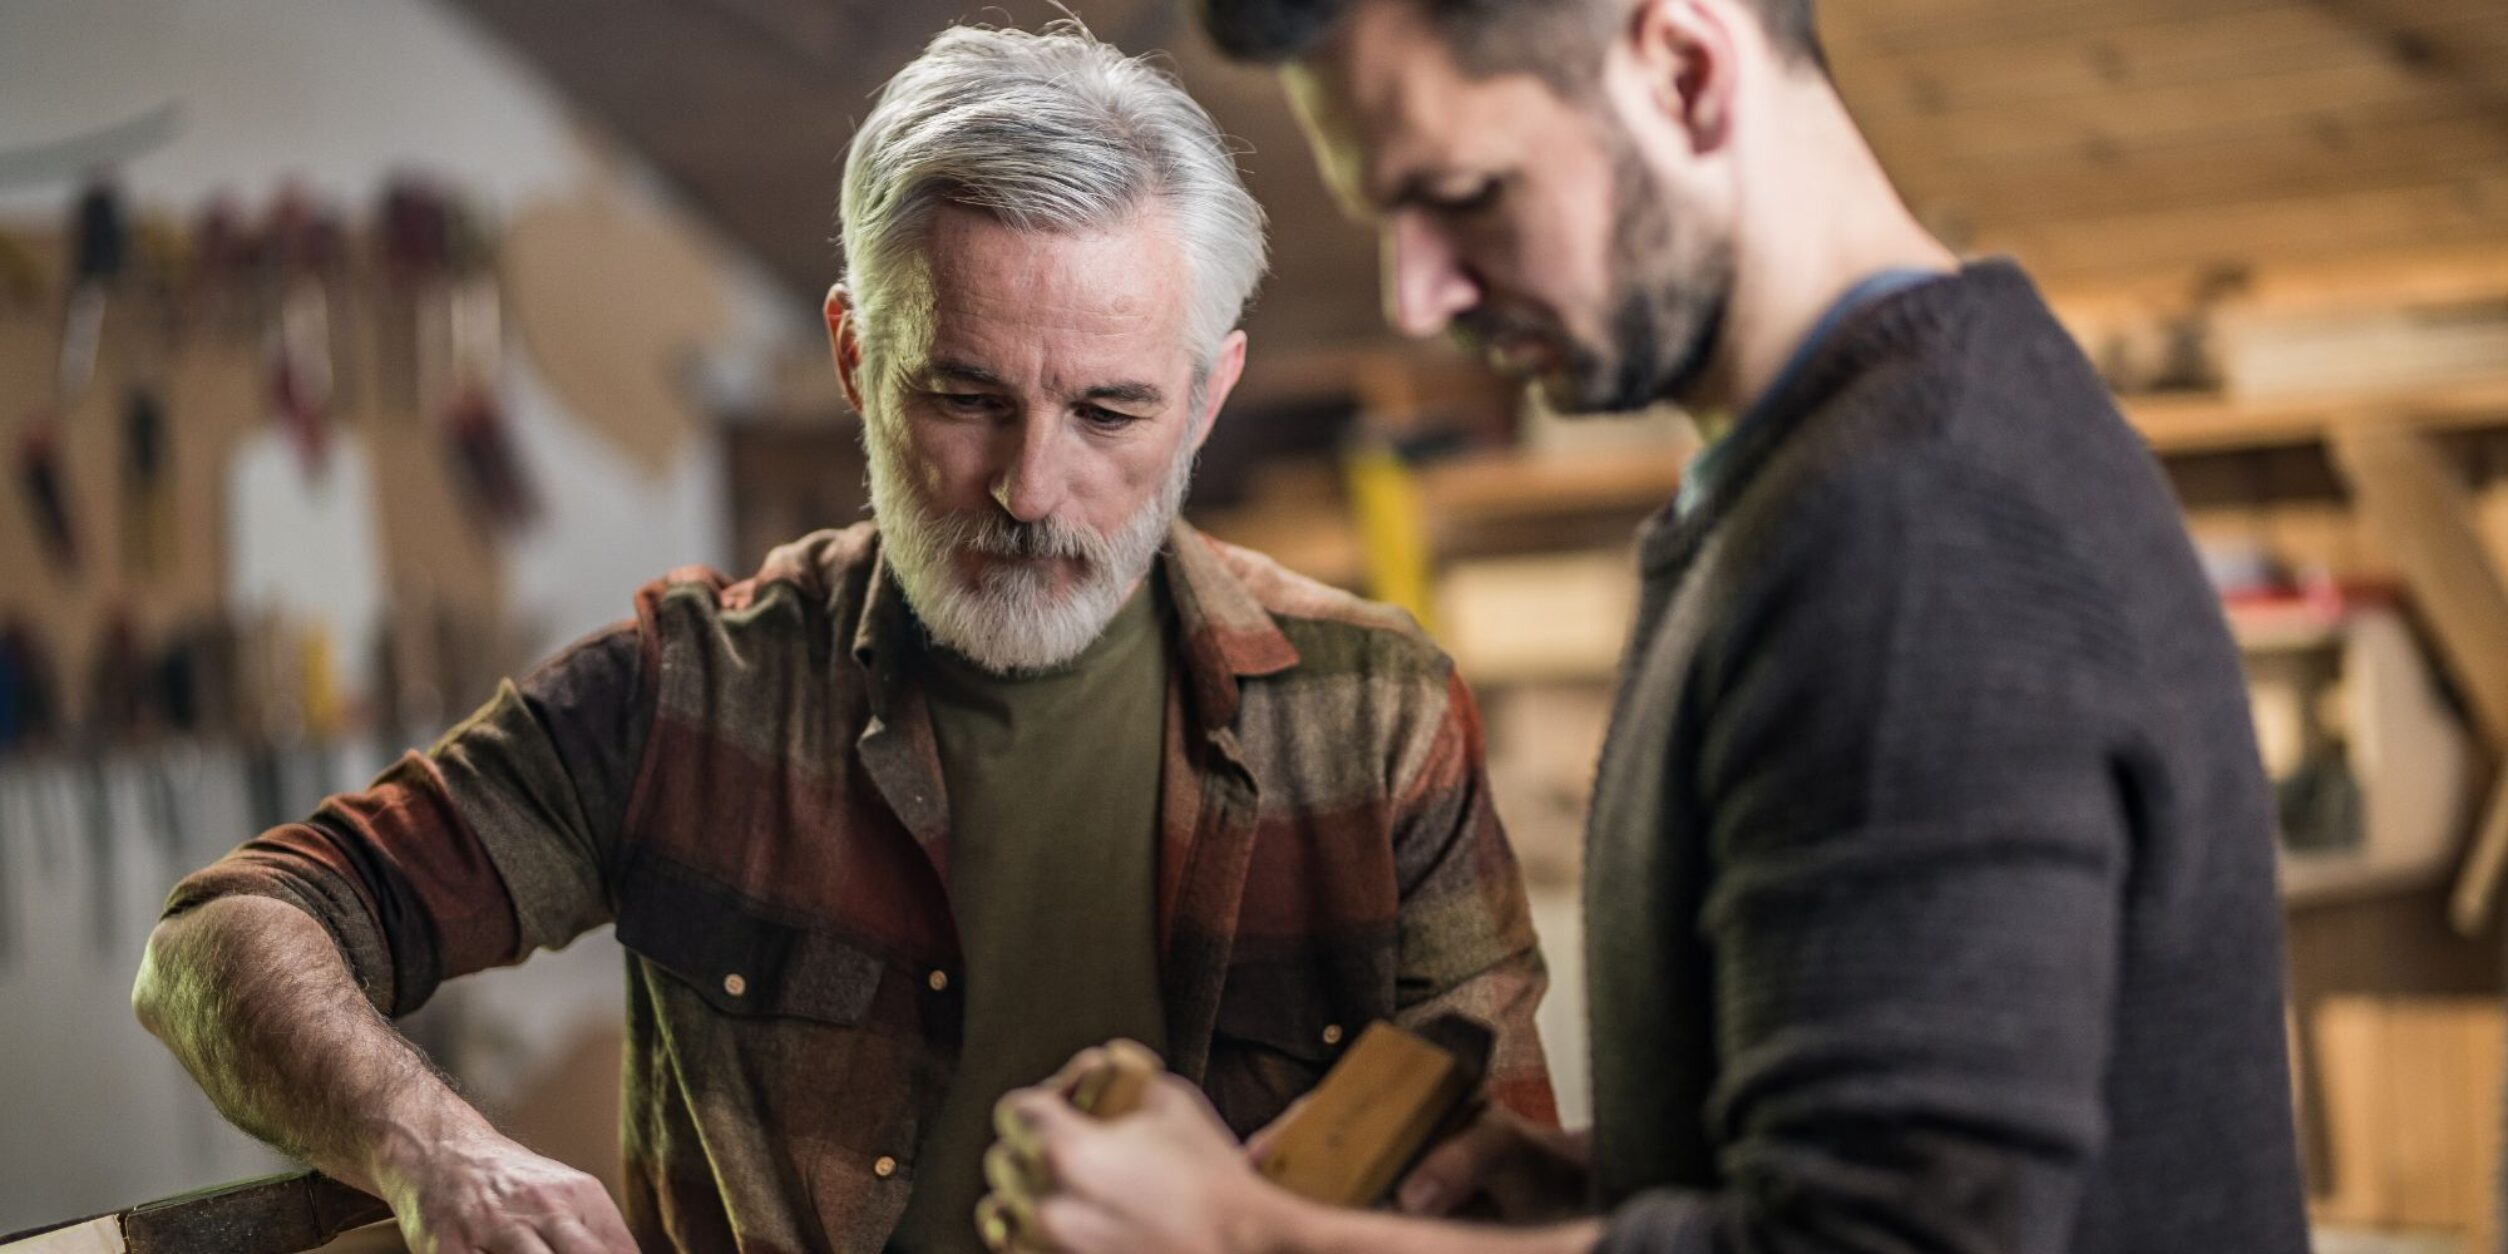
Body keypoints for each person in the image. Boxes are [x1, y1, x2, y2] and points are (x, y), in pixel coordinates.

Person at [131, 23, 1553, 1254]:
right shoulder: (686, 694)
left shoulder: (1377, 713)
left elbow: (1504, 1193)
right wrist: (436, 1149)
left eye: (1109, 411)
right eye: (964, 396)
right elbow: (220, 935)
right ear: (855, 355)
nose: (1028, 486)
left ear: (1208, 394)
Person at [981, 0, 2311, 1249]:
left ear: (1684, 70)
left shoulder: (1908, 526)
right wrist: (1616, 1179)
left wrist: (1245, 1232)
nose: (1419, 295)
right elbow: (1896, 1171)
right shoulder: (1857, 459)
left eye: (1463, 197)